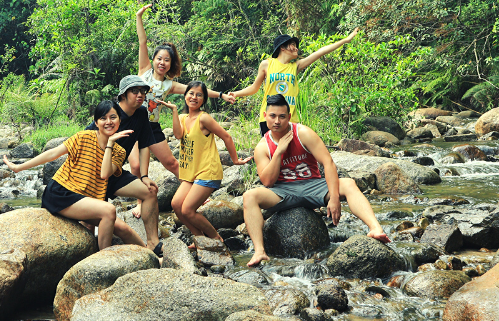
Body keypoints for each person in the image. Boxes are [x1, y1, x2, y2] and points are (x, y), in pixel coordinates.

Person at [242, 95, 390, 267]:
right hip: (283, 192)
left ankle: (375, 228)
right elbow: (267, 181)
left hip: (313, 186)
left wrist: (334, 198)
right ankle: (259, 251)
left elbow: (328, 162)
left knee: (349, 183)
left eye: (282, 116)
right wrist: (279, 152)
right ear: (265, 115)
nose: (277, 121)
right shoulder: (262, 147)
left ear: (289, 117)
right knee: (249, 196)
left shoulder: (303, 133)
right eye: (272, 116)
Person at [4, 100, 158, 253]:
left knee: (124, 229)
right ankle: (105, 259)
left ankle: (152, 256)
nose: (108, 122)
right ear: (96, 123)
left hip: (85, 198)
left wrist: (110, 143)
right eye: (103, 118)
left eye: (113, 117)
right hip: (61, 193)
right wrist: (19, 167)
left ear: (120, 120)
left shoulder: (118, 151)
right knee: (109, 210)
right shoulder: (83, 137)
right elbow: (52, 153)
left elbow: (104, 174)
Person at [131, 4, 234, 217]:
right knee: (135, 166)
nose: (162, 62)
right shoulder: (143, 72)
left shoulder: (170, 85)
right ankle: (140, 202)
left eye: (166, 60)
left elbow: (197, 91)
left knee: (170, 162)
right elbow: (143, 42)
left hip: (151, 127)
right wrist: (139, 17)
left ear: (170, 64)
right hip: (133, 124)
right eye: (159, 58)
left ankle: (197, 190)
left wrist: (222, 95)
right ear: (154, 60)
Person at [158, 81, 252, 247]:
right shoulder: (182, 117)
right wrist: (173, 111)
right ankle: (198, 237)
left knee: (187, 209)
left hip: (207, 172)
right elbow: (178, 135)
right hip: (190, 173)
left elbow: (227, 137)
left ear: (204, 99)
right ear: (185, 95)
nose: (194, 97)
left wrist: (235, 160)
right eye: (191, 93)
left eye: (199, 95)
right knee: (175, 205)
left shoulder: (204, 118)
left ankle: (215, 238)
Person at [228, 28, 359, 136]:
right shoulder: (267, 64)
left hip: (289, 118)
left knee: (290, 156)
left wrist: (346, 40)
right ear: (282, 48)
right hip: (270, 116)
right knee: (271, 154)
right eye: (293, 45)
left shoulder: (295, 66)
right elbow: (254, 87)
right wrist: (236, 94)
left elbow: (320, 52)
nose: (296, 48)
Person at [85, 75, 163, 252]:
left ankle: (153, 243)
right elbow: (84, 144)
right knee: (89, 222)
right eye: (134, 91)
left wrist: (144, 176)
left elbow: (144, 145)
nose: (140, 95)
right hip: (95, 176)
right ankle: (89, 255)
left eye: (142, 91)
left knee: (150, 192)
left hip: (116, 173)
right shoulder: (109, 116)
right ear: (122, 96)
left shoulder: (142, 113)